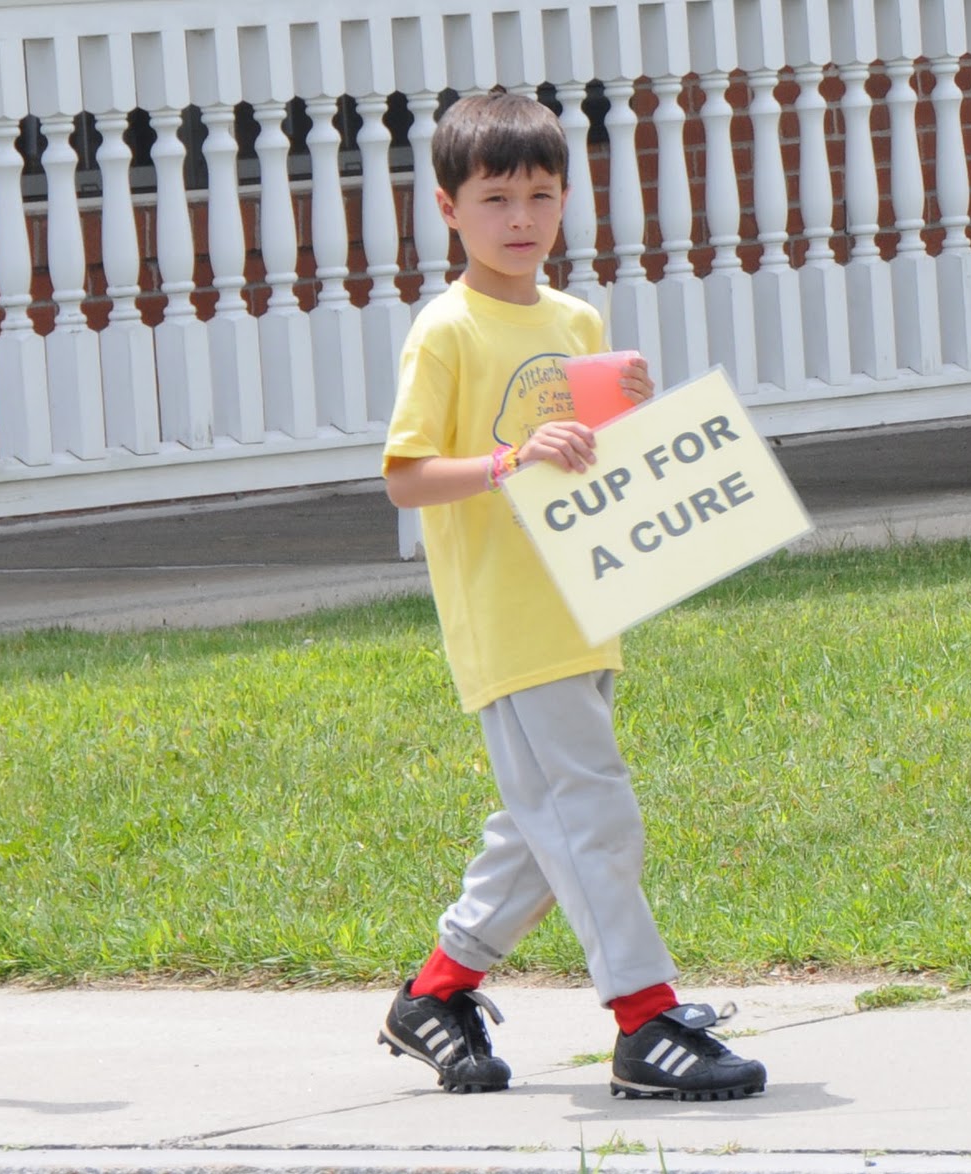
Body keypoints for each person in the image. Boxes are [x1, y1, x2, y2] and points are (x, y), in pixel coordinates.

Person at [376, 90, 767, 1103]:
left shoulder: (575, 319)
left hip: (583, 608)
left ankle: (435, 992)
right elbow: (407, 477)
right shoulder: (446, 331)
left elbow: (592, 468)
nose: (522, 218)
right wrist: (511, 460)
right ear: (448, 208)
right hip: (509, 624)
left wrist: (628, 418)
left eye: (541, 196)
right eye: (496, 198)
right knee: (592, 814)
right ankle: (645, 1019)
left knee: (540, 824)